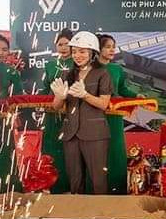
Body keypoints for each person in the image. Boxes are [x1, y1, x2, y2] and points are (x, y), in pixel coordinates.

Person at [51, 31, 112, 194]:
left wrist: (85, 95)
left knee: (98, 179)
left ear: (92, 53)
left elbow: (104, 104)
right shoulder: (67, 74)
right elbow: (56, 106)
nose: (77, 56)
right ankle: (77, 207)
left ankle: (101, 209)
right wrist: (60, 97)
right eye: (74, 52)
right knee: (75, 180)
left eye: (82, 51)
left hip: (95, 134)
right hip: (70, 134)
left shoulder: (103, 73)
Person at [97, 33, 140, 194]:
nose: (112, 50)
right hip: (95, 116)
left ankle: (117, 190)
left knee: (116, 150)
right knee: (96, 152)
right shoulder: (89, 69)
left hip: (114, 117)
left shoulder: (117, 69)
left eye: (113, 47)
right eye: (108, 47)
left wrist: (136, 96)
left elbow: (122, 89)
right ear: (98, 49)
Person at [0, 33, 24, 192]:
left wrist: (8, 110)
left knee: (3, 153)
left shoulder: (12, 72)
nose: (1, 53)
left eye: (4, 49)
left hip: (3, 121)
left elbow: (18, 97)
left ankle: (8, 188)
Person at [39, 28, 74, 193]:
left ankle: (71, 185)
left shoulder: (78, 64)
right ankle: (52, 185)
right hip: (52, 115)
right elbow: (45, 89)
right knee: (52, 148)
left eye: (67, 44)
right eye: (60, 44)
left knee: (70, 149)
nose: (63, 47)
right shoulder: (50, 65)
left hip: (71, 115)